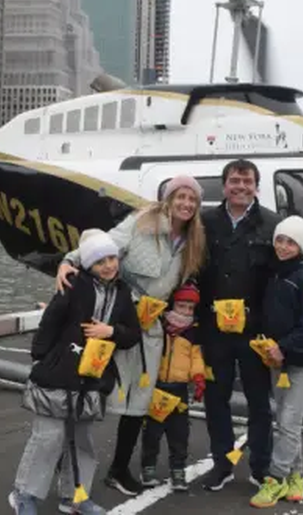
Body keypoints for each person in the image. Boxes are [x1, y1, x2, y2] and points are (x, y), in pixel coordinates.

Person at [54, 175, 206, 497]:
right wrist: (68, 261)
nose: (186, 203)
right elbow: (104, 245)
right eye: (180, 196)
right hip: (115, 312)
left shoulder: (192, 243)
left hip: (149, 327)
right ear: (168, 199)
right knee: (89, 389)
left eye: (192, 199)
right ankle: (62, 459)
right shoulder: (141, 222)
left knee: (139, 401)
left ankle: (119, 469)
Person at [197, 159, 303, 492]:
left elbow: (295, 262)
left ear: (257, 187)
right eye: (234, 181)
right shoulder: (205, 222)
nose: (241, 187)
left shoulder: (272, 224)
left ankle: (260, 466)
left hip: (256, 332)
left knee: (259, 403)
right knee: (216, 400)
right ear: (224, 185)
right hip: (214, 329)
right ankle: (222, 464)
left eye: (247, 181)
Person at [9, 231, 142, 515]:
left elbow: (133, 334)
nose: (108, 265)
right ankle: (24, 494)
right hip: (58, 374)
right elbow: (49, 323)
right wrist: (40, 360)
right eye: (100, 262)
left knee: (82, 440)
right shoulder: (72, 284)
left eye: (111, 258)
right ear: (88, 265)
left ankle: (74, 497)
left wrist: (111, 331)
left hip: (92, 377)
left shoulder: (123, 292)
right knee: (49, 437)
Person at [249, 216, 303, 508]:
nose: (283, 246)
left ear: (301, 246)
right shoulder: (274, 270)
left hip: (301, 361)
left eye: (291, 242)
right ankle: (296, 476)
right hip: (276, 358)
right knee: (286, 420)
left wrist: (284, 347)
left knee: (288, 421)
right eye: (279, 239)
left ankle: (276, 478)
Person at [140, 282, 206, 492]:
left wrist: (198, 378)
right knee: (152, 431)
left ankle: (178, 469)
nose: (185, 312)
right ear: (172, 305)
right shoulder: (159, 325)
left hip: (180, 389)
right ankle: (148, 466)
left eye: (190, 308)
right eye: (181, 306)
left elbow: (196, 357)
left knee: (179, 433)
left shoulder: (193, 332)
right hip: (157, 387)